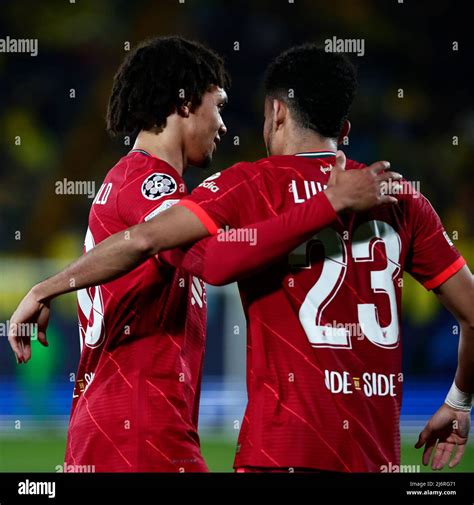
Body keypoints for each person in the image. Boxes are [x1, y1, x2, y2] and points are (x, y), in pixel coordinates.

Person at [11, 45, 460, 473]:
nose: (224, 125)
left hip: (130, 429)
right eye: (218, 105)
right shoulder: (154, 185)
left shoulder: (145, 181)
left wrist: (48, 286)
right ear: (184, 104)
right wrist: (325, 203)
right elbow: (202, 256)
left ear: (278, 112)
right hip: (140, 433)